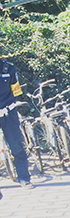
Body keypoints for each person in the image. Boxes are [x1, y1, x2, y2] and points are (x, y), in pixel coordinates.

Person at [0, 59, 33, 189]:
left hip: (8, 113)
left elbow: (16, 91)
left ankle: (24, 178)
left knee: (17, 147)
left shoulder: (8, 68)